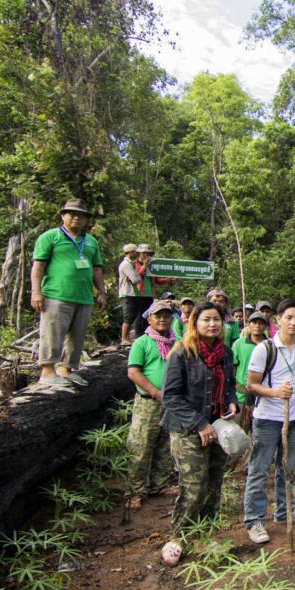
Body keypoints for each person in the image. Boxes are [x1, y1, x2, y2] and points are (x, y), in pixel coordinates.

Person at [158, 301, 239, 565]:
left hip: (217, 427)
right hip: (187, 430)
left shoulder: (225, 353)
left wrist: (232, 401)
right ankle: (179, 537)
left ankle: (205, 535)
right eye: (206, 320)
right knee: (193, 487)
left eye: (216, 319)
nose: (212, 324)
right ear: (194, 323)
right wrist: (199, 424)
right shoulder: (181, 353)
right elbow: (170, 397)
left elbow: (227, 386)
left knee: (214, 483)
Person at [243, 299, 295, 545]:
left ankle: (285, 512)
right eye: (289, 318)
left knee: (287, 468)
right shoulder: (264, 348)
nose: (294, 322)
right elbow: (251, 385)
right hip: (267, 419)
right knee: (259, 470)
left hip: (294, 418)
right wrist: (275, 393)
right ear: (278, 320)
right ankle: (254, 520)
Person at [30, 198, 106, 387]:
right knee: (52, 331)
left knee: (77, 334)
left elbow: (96, 269)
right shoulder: (50, 237)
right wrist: (36, 292)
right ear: (63, 216)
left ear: (86, 220)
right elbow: (38, 266)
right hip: (56, 295)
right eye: (72, 214)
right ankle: (48, 372)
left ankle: (67, 370)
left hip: (84, 295)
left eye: (81, 216)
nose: (76, 218)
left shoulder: (90, 242)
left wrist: (102, 292)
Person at [124, 300, 177, 510]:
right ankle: (135, 491)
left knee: (165, 445)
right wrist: (155, 392)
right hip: (148, 403)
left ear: (172, 318)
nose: (162, 319)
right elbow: (133, 372)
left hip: (172, 403)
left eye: (166, 315)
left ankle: (159, 484)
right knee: (141, 446)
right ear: (149, 319)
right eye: (158, 316)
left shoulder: (176, 341)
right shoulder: (142, 343)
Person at [233, 311, 268, 419]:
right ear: (249, 325)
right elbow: (232, 368)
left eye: (261, 323)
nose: (257, 326)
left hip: (264, 396)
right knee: (239, 431)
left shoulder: (270, 345)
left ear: (265, 326)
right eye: (254, 323)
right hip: (241, 395)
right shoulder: (239, 343)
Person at [133, 244, 173, 337]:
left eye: (148, 254)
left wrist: (169, 279)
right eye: (144, 253)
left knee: (149, 316)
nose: (146, 255)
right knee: (139, 317)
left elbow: (157, 280)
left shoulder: (152, 266)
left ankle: (148, 335)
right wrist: (145, 265)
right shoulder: (135, 264)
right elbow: (138, 276)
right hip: (139, 294)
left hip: (150, 294)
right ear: (139, 254)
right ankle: (138, 336)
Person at [118, 244, 143, 346]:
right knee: (128, 316)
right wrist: (134, 279)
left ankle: (127, 338)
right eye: (135, 252)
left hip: (132, 293)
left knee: (132, 316)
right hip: (127, 293)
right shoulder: (126, 264)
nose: (137, 254)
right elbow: (136, 279)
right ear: (131, 252)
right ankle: (124, 338)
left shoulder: (131, 264)